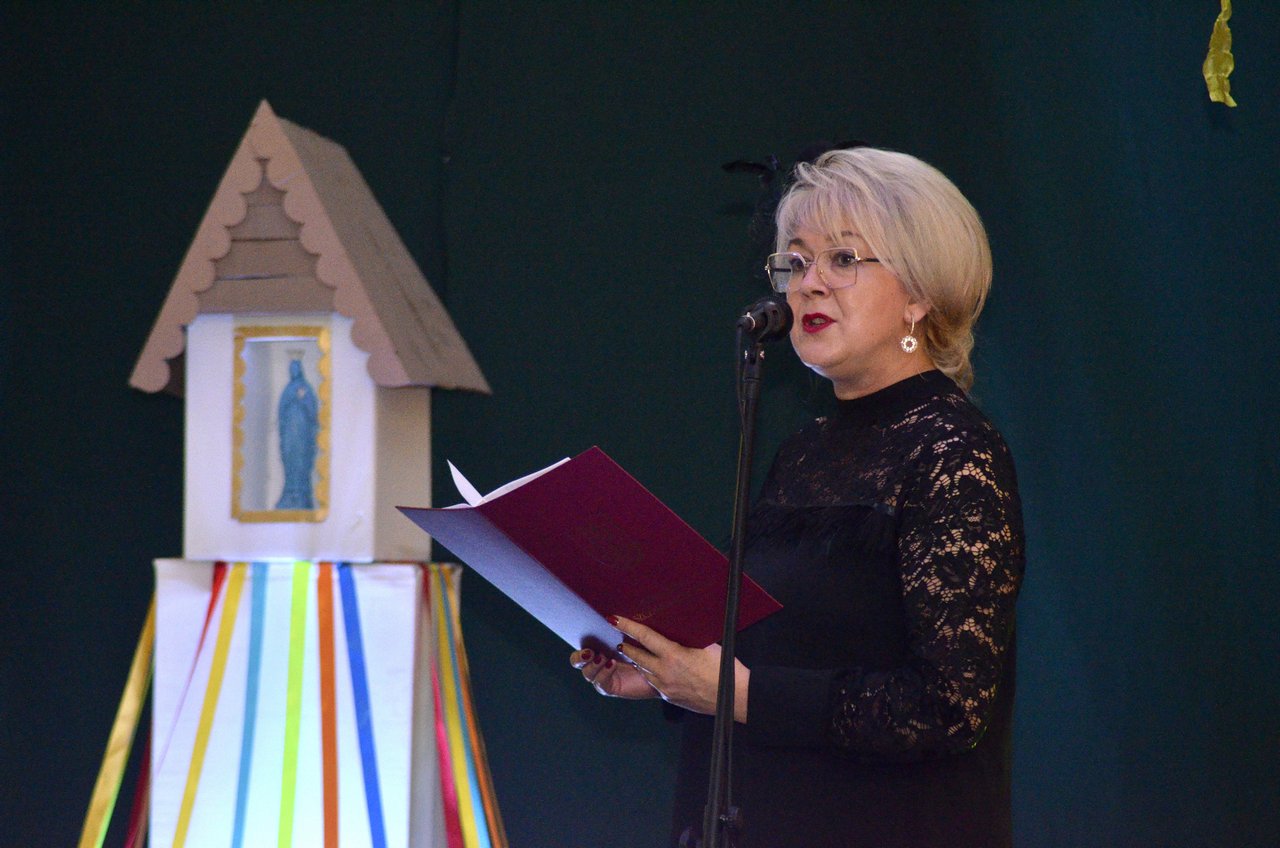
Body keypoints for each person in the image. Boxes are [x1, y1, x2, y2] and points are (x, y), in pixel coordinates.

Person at [571, 146, 1025, 848]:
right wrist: (669, 677)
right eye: (796, 261)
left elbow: (949, 707)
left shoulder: (953, 450)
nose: (809, 284)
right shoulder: (806, 451)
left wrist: (737, 694)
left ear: (919, 293)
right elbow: (788, 652)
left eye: (843, 259)